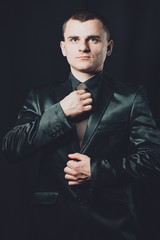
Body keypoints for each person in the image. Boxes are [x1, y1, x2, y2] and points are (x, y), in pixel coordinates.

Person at [2, 10, 160, 240]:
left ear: (109, 47)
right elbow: (11, 147)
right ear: (63, 48)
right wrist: (61, 112)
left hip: (114, 224)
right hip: (50, 226)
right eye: (74, 39)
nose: (83, 47)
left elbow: (153, 158)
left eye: (93, 39)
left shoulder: (131, 97)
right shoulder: (40, 97)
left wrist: (96, 171)